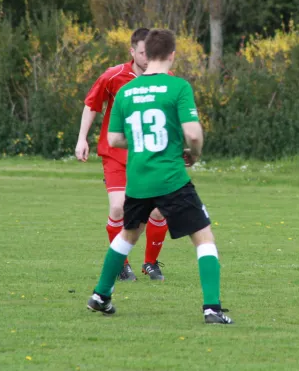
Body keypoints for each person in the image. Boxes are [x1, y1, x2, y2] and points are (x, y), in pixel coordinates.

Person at [86, 28, 233, 324]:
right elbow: (192, 133)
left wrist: (141, 141)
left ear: (146, 53)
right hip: (171, 178)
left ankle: (101, 296)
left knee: (128, 235)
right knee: (203, 237)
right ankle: (212, 309)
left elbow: (114, 139)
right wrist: (194, 152)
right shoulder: (177, 87)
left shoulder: (127, 91)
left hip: (138, 178)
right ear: (171, 54)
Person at [75, 28, 168, 281]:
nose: (148, 58)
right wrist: (82, 138)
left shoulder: (165, 78)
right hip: (115, 153)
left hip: (149, 156)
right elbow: (91, 105)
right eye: (142, 53)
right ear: (132, 52)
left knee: (159, 212)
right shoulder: (113, 76)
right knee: (118, 208)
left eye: (152, 52)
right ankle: (121, 264)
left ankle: (150, 264)